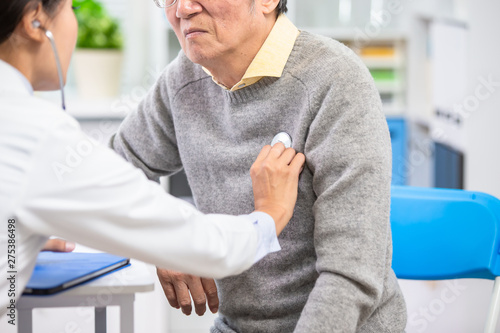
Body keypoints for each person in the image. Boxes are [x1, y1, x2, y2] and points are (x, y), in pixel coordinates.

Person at [110, 0, 408, 332]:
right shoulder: (183, 80)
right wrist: (164, 238)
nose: (182, 9)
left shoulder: (336, 80)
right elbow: (111, 175)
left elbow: (350, 276)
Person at [0, 0, 306, 318]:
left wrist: (17, 244)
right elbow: (208, 246)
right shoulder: (35, 135)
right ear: (35, 21)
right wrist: (271, 213)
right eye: (71, 9)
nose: (184, 9)